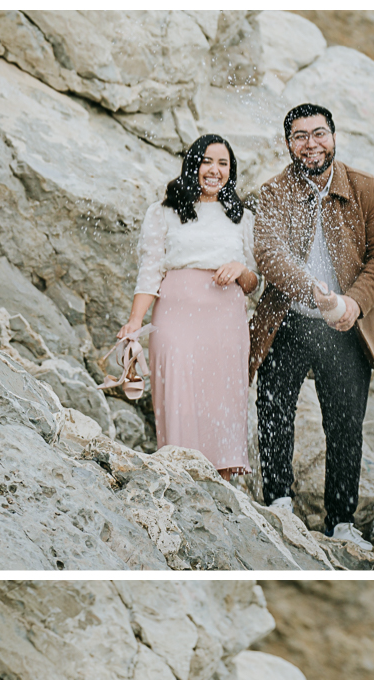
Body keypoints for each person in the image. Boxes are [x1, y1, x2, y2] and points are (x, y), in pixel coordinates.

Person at [250, 103, 374, 550]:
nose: (311, 143)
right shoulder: (274, 191)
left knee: (346, 425)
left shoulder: (363, 188)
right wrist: (311, 288)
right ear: (288, 144)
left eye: (319, 134)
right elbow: (268, 252)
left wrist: (353, 303)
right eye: (300, 136)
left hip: (345, 326)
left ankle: (342, 522)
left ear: (334, 137)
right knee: (274, 410)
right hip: (289, 319)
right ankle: (278, 500)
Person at [118, 135, 258, 479]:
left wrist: (241, 270)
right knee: (177, 400)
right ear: (192, 165)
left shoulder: (242, 217)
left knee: (221, 406)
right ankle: (179, 479)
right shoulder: (163, 212)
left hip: (226, 323)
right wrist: (134, 323)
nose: (214, 170)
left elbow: (256, 282)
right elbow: (149, 272)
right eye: (207, 161)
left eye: (223, 164)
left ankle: (223, 490)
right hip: (176, 318)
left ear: (231, 171)